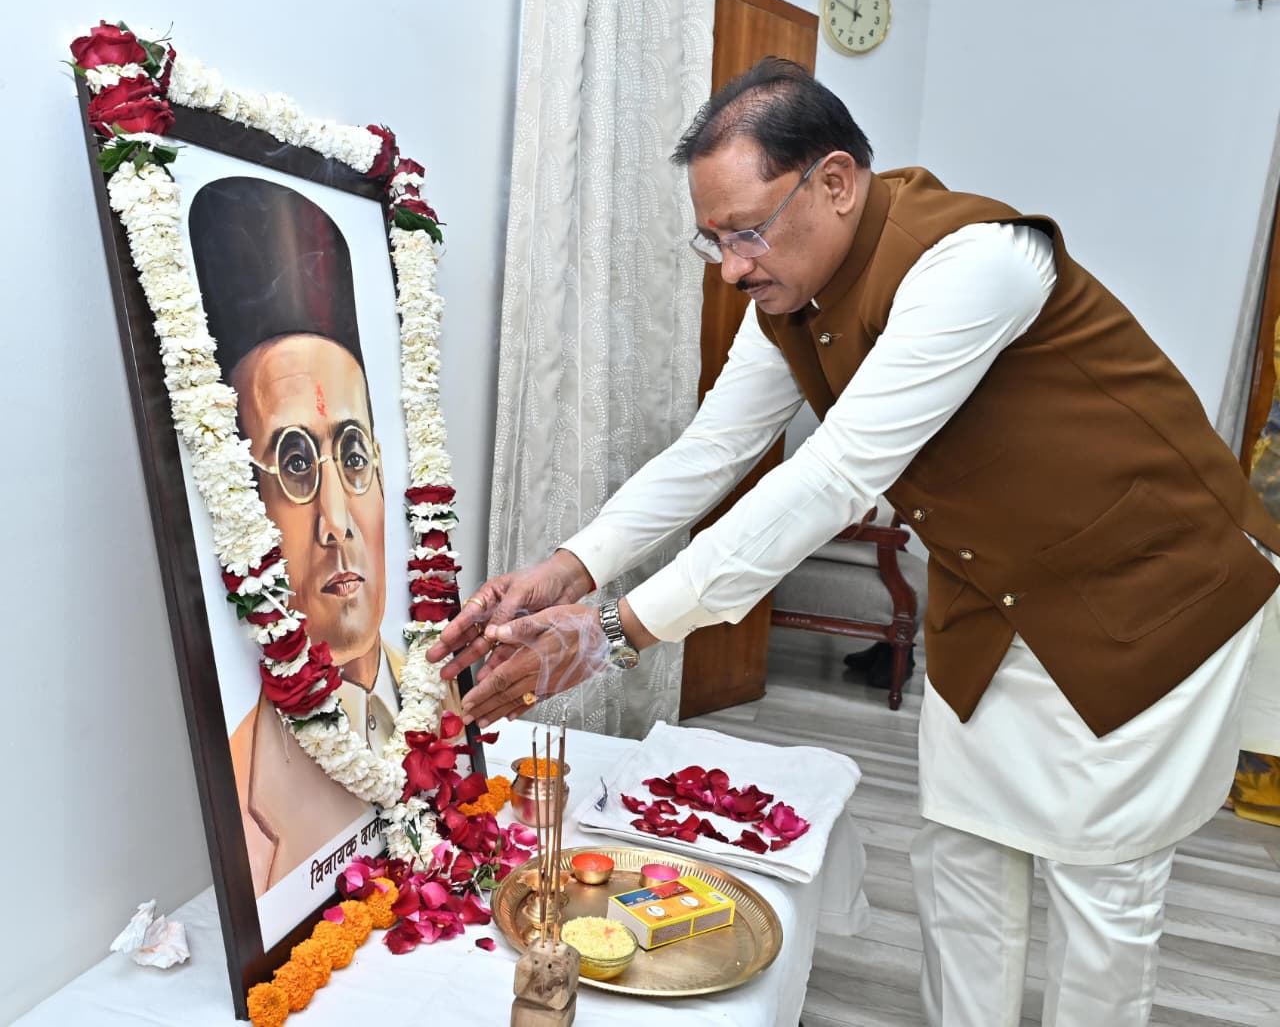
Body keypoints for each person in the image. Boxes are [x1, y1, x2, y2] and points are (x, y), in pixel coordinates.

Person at [429, 58, 1280, 1025]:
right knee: (961, 859)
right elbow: (714, 447)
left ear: (834, 182)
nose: (733, 266)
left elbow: (836, 475)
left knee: (1101, 889)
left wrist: (618, 629)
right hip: (994, 597)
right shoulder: (790, 299)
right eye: (714, 239)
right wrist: (567, 567)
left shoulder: (978, 264)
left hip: (1149, 586)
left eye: (747, 230)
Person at [190, 177, 463, 895]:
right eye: (294, 463)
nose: (337, 522)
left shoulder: (442, 696)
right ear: (240, 508)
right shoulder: (244, 790)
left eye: (353, 454)